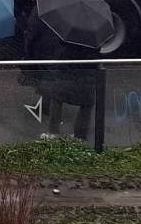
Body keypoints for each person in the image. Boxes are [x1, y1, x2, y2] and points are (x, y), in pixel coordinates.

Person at [23, 9, 95, 141]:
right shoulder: (95, 24)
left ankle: (53, 132)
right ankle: (80, 136)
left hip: (67, 63)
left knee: (57, 95)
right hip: (89, 66)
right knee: (86, 101)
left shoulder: (67, 21)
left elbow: (62, 41)